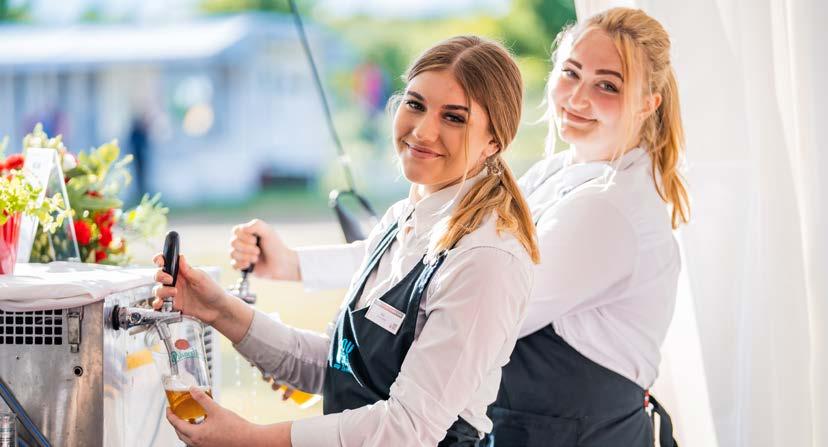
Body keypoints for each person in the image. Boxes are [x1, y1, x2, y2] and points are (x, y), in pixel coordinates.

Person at [237, 8, 688, 447]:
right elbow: (428, 258)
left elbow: (464, 300)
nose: (578, 97)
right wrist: (294, 267)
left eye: (608, 85)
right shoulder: (558, 173)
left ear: (648, 103)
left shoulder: (609, 209)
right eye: (571, 73)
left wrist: (329, 364)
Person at [153, 35, 540, 447]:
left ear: (494, 141)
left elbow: (406, 428)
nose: (423, 130)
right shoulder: (401, 220)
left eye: (454, 118)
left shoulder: (487, 259)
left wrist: (250, 439)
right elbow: (335, 365)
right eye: (415, 104)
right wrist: (217, 309)